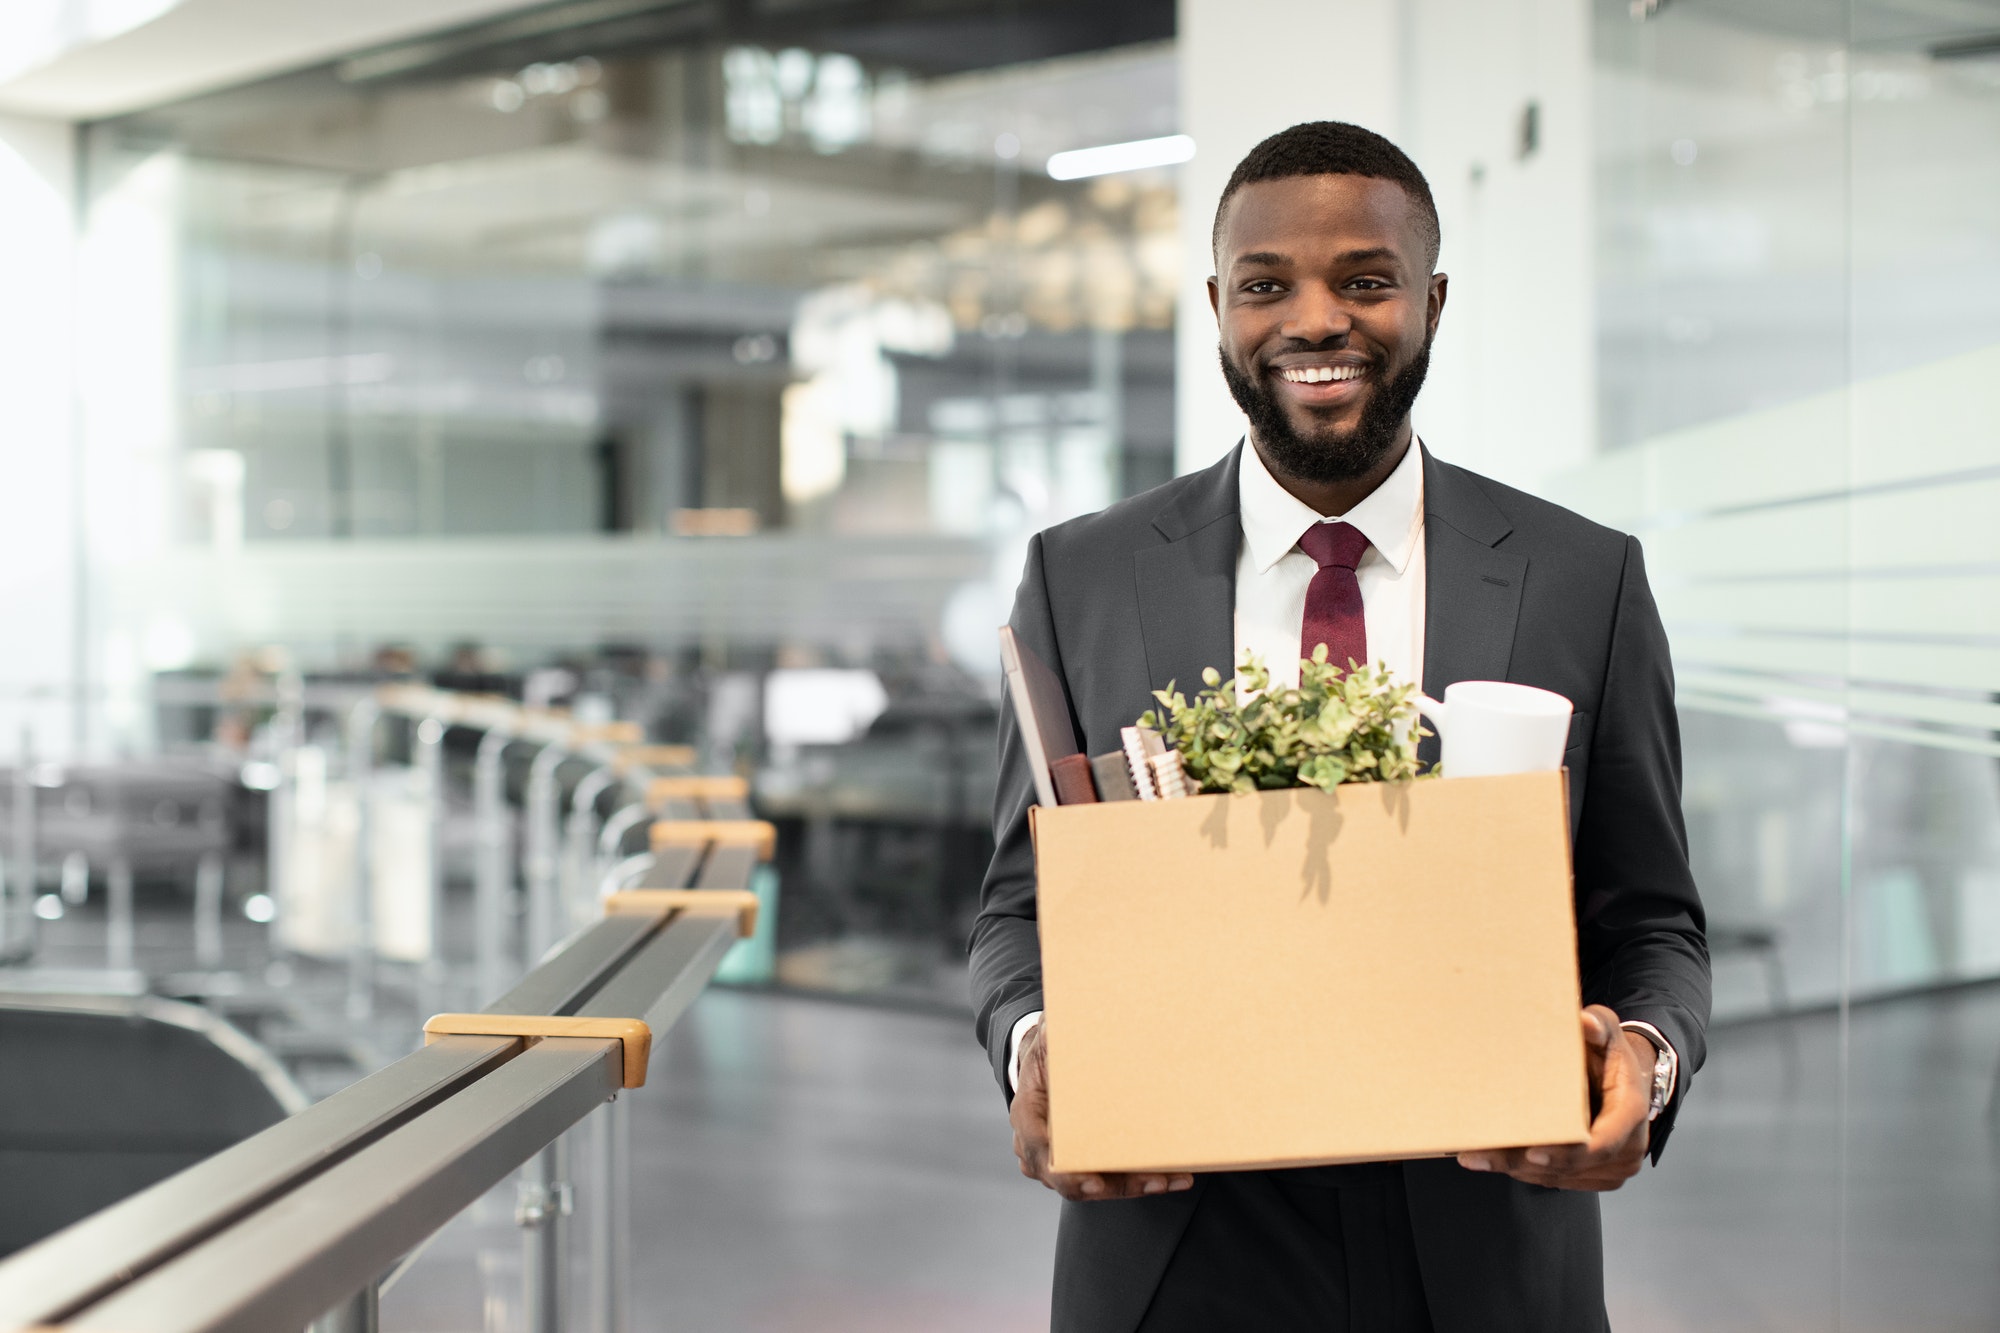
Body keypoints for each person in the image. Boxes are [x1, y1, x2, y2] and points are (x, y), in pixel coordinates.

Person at [969, 121, 1710, 1333]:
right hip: (1174, 1243)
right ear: (1217, 306)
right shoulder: (1079, 579)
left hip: (1490, 1236)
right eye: (1266, 286)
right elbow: (1017, 905)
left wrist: (1644, 1055)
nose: (1315, 320)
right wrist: (1042, 1048)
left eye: (1364, 281)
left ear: (1431, 298)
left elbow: (1650, 916)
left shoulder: (1584, 579)